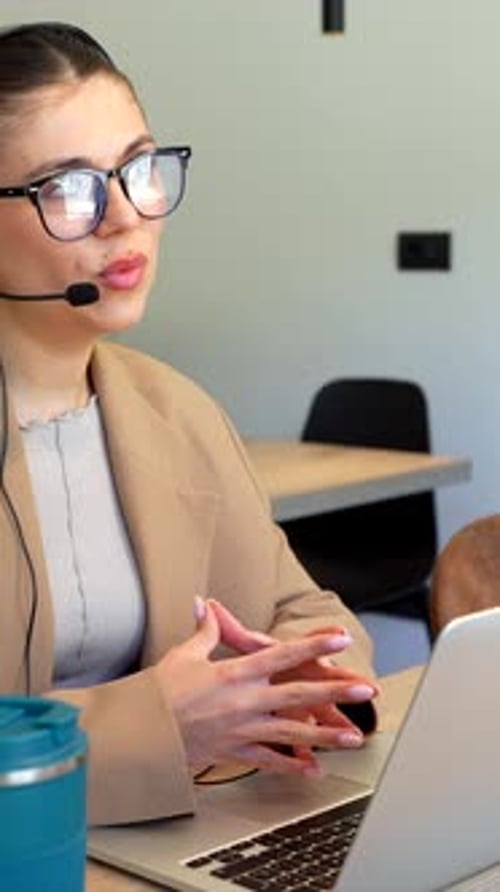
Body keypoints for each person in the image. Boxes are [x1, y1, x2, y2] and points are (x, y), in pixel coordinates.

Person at [0, 21, 378, 827]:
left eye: (137, 169)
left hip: (167, 842)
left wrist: (291, 690)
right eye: (68, 188)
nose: (123, 217)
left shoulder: (175, 409)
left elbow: (304, 612)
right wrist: (155, 728)